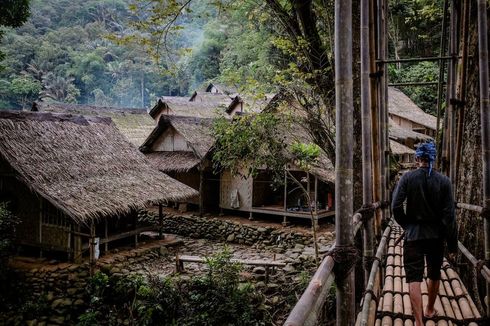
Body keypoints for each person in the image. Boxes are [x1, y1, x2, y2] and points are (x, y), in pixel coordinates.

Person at [391, 142, 458, 326]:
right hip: (436, 236)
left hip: (413, 236)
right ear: (433, 159)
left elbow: (395, 206)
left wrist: (407, 225)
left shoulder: (407, 178)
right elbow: (449, 216)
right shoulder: (444, 181)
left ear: (417, 158)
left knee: (414, 277)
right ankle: (429, 309)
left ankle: (418, 322)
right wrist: (452, 245)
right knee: (434, 273)